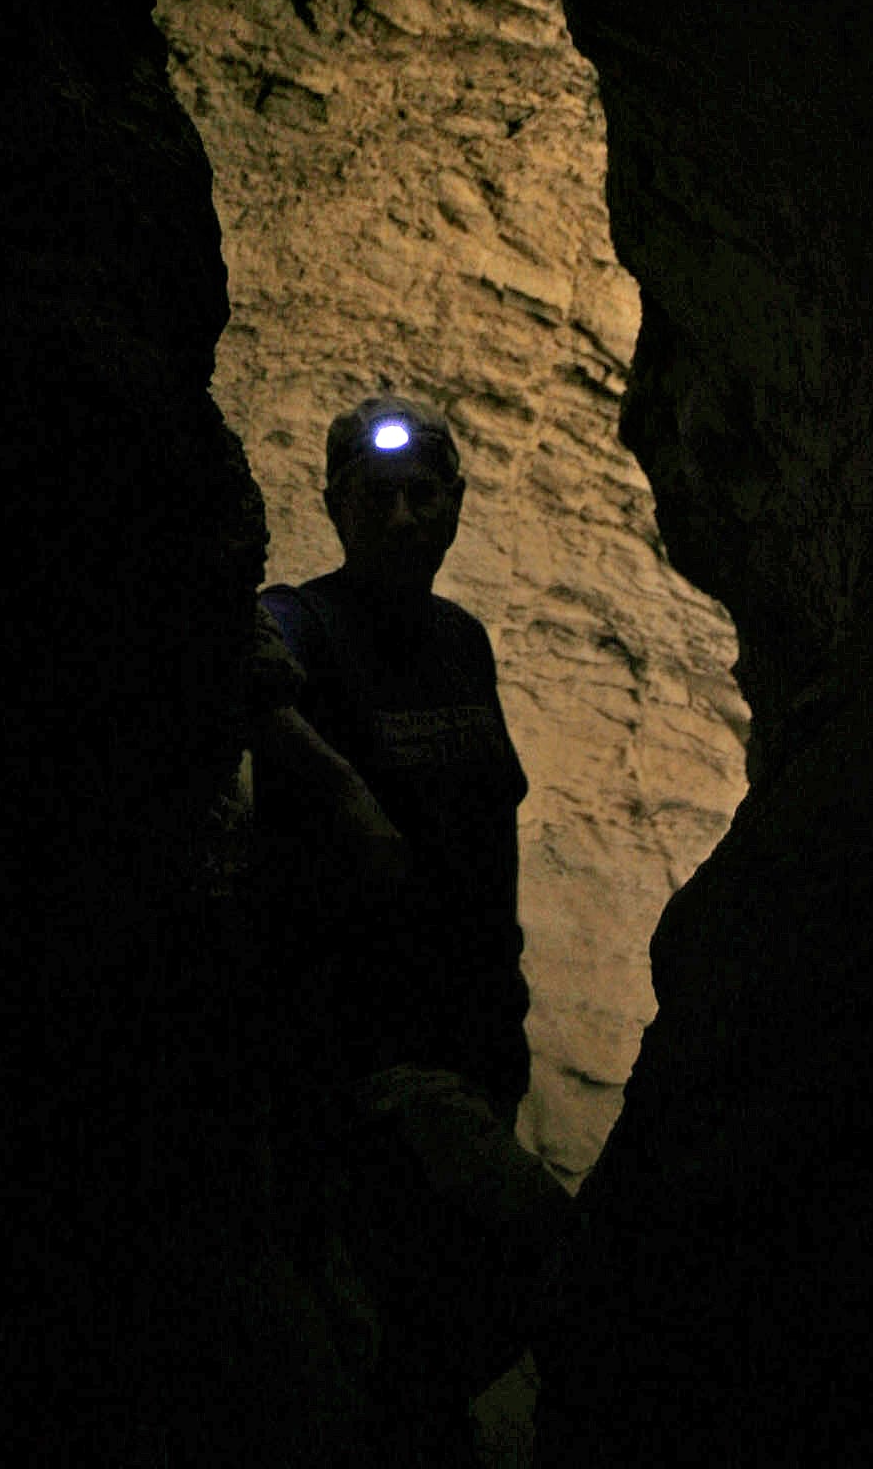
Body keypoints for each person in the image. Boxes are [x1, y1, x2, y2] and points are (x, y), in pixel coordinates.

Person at [251, 395, 570, 1460]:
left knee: (418, 1348)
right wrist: (344, 795)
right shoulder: (304, 619)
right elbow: (232, 662)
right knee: (549, 1257)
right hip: (367, 1065)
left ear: (454, 506)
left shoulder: (461, 644)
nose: (399, 515)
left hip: (473, 1054)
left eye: (421, 492)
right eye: (372, 493)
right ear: (332, 504)